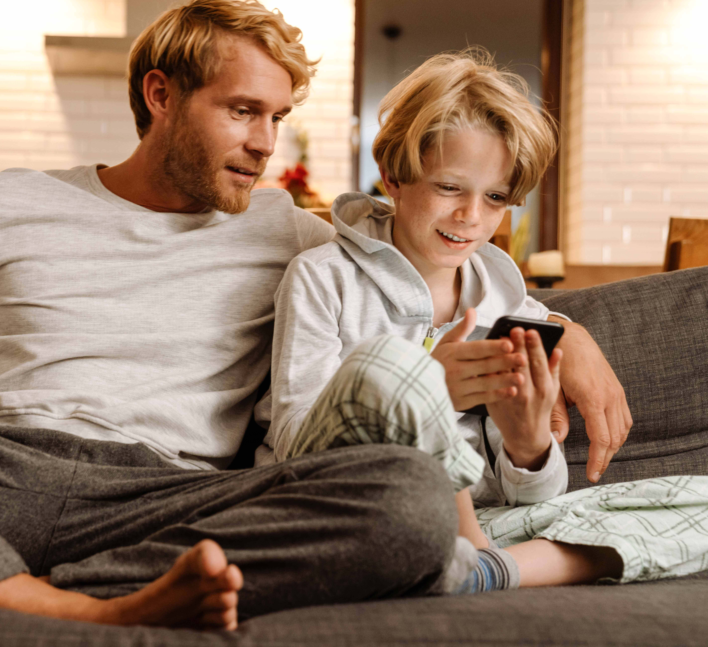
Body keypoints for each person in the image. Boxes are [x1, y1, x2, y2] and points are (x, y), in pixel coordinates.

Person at [0, 0, 629, 630]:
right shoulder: (7, 201)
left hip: (163, 496)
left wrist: (568, 330)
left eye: (278, 117)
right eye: (242, 112)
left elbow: (439, 238)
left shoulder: (298, 235)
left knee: (411, 500)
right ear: (160, 96)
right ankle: (47, 599)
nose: (266, 144)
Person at [265, 48, 708, 593]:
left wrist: (528, 447)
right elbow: (290, 446)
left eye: (495, 197)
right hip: (355, 504)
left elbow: (532, 498)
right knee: (384, 373)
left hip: (485, 527)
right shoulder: (322, 277)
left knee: (698, 502)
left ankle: (491, 572)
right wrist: (424, 387)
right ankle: (461, 559)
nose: (471, 217)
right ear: (394, 176)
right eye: (449, 187)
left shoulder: (509, 307)